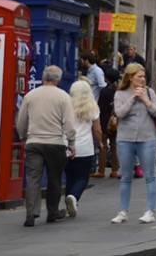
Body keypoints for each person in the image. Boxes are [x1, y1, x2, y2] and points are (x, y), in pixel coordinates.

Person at [16, 65, 76, 227]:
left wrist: (23, 137)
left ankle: (31, 214)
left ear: (43, 78)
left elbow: (21, 121)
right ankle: (53, 211)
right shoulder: (63, 97)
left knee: (33, 179)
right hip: (55, 143)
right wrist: (71, 143)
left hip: (34, 142)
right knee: (54, 178)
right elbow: (69, 123)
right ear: (59, 79)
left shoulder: (30, 95)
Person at [110, 63, 156, 224]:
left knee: (150, 176)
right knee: (125, 176)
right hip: (125, 139)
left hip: (147, 139)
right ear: (130, 77)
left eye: (144, 76)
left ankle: (150, 211)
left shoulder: (150, 92)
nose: (142, 79)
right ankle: (123, 211)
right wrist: (133, 98)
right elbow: (119, 113)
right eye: (139, 76)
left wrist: (146, 100)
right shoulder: (120, 93)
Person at [64, 78, 101, 218]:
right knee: (82, 178)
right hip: (85, 147)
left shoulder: (66, 105)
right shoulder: (93, 107)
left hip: (67, 145)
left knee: (70, 177)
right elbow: (97, 130)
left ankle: (70, 206)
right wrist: (100, 144)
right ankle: (74, 197)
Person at [94, 66, 119, 178]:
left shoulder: (104, 91)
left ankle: (101, 170)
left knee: (103, 145)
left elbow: (100, 107)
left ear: (106, 78)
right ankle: (114, 170)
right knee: (114, 145)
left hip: (104, 121)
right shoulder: (118, 90)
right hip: (115, 121)